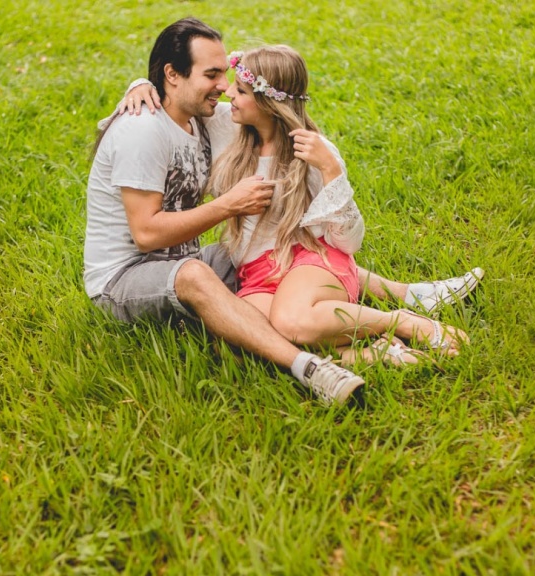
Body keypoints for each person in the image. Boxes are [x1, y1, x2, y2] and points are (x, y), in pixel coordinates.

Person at [84, 18, 366, 406]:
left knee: (270, 250)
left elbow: (271, 108)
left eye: (226, 75)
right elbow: (146, 235)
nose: (224, 86)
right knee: (198, 275)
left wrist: (328, 164)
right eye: (213, 74)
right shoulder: (141, 131)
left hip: (184, 260)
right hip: (121, 281)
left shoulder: (200, 117)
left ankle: (407, 295)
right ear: (172, 74)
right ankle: (311, 369)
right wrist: (228, 204)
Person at [208, 45, 468, 365]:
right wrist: (141, 87)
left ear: (270, 101)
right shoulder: (225, 127)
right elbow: (173, 105)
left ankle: (401, 322)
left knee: (292, 322)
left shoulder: (315, 152)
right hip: (256, 273)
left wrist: (330, 170)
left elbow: (349, 241)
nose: (228, 93)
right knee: (239, 346)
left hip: (310, 259)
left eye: (242, 89)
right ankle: (368, 354)